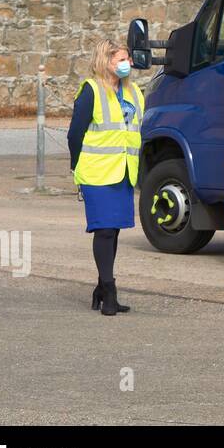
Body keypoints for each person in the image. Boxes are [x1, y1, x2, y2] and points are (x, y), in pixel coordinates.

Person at [67, 38, 144, 316]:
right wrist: (76, 167)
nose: (127, 64)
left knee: (115, 230)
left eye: (127, 59)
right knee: (104, 229)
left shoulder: (135, 92)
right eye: (120, 60)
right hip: (97, 172)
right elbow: (75, 134)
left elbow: (135, 132)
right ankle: (109, 291)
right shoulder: (91, 91)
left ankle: (102, 287)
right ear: (105, 62)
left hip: (123, 171)